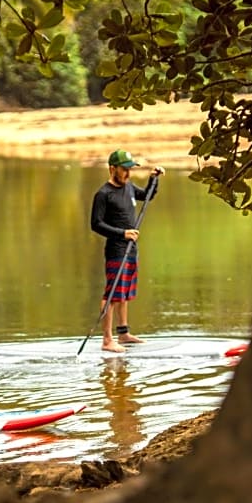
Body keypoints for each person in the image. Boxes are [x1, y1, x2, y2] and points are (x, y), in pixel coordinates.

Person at [90, 149, 164, 353]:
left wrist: (153, 179)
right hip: (116, 250)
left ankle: (123, 333)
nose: (128, 174)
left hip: (131, 249)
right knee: (112, 294)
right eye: (124, 170)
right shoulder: (103, 194)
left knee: (124, 292)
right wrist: (123, 234)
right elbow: (96, 224)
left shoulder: (129, 187)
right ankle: (107, 340)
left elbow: (147, 196)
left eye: (130, 169)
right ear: (112, 168)